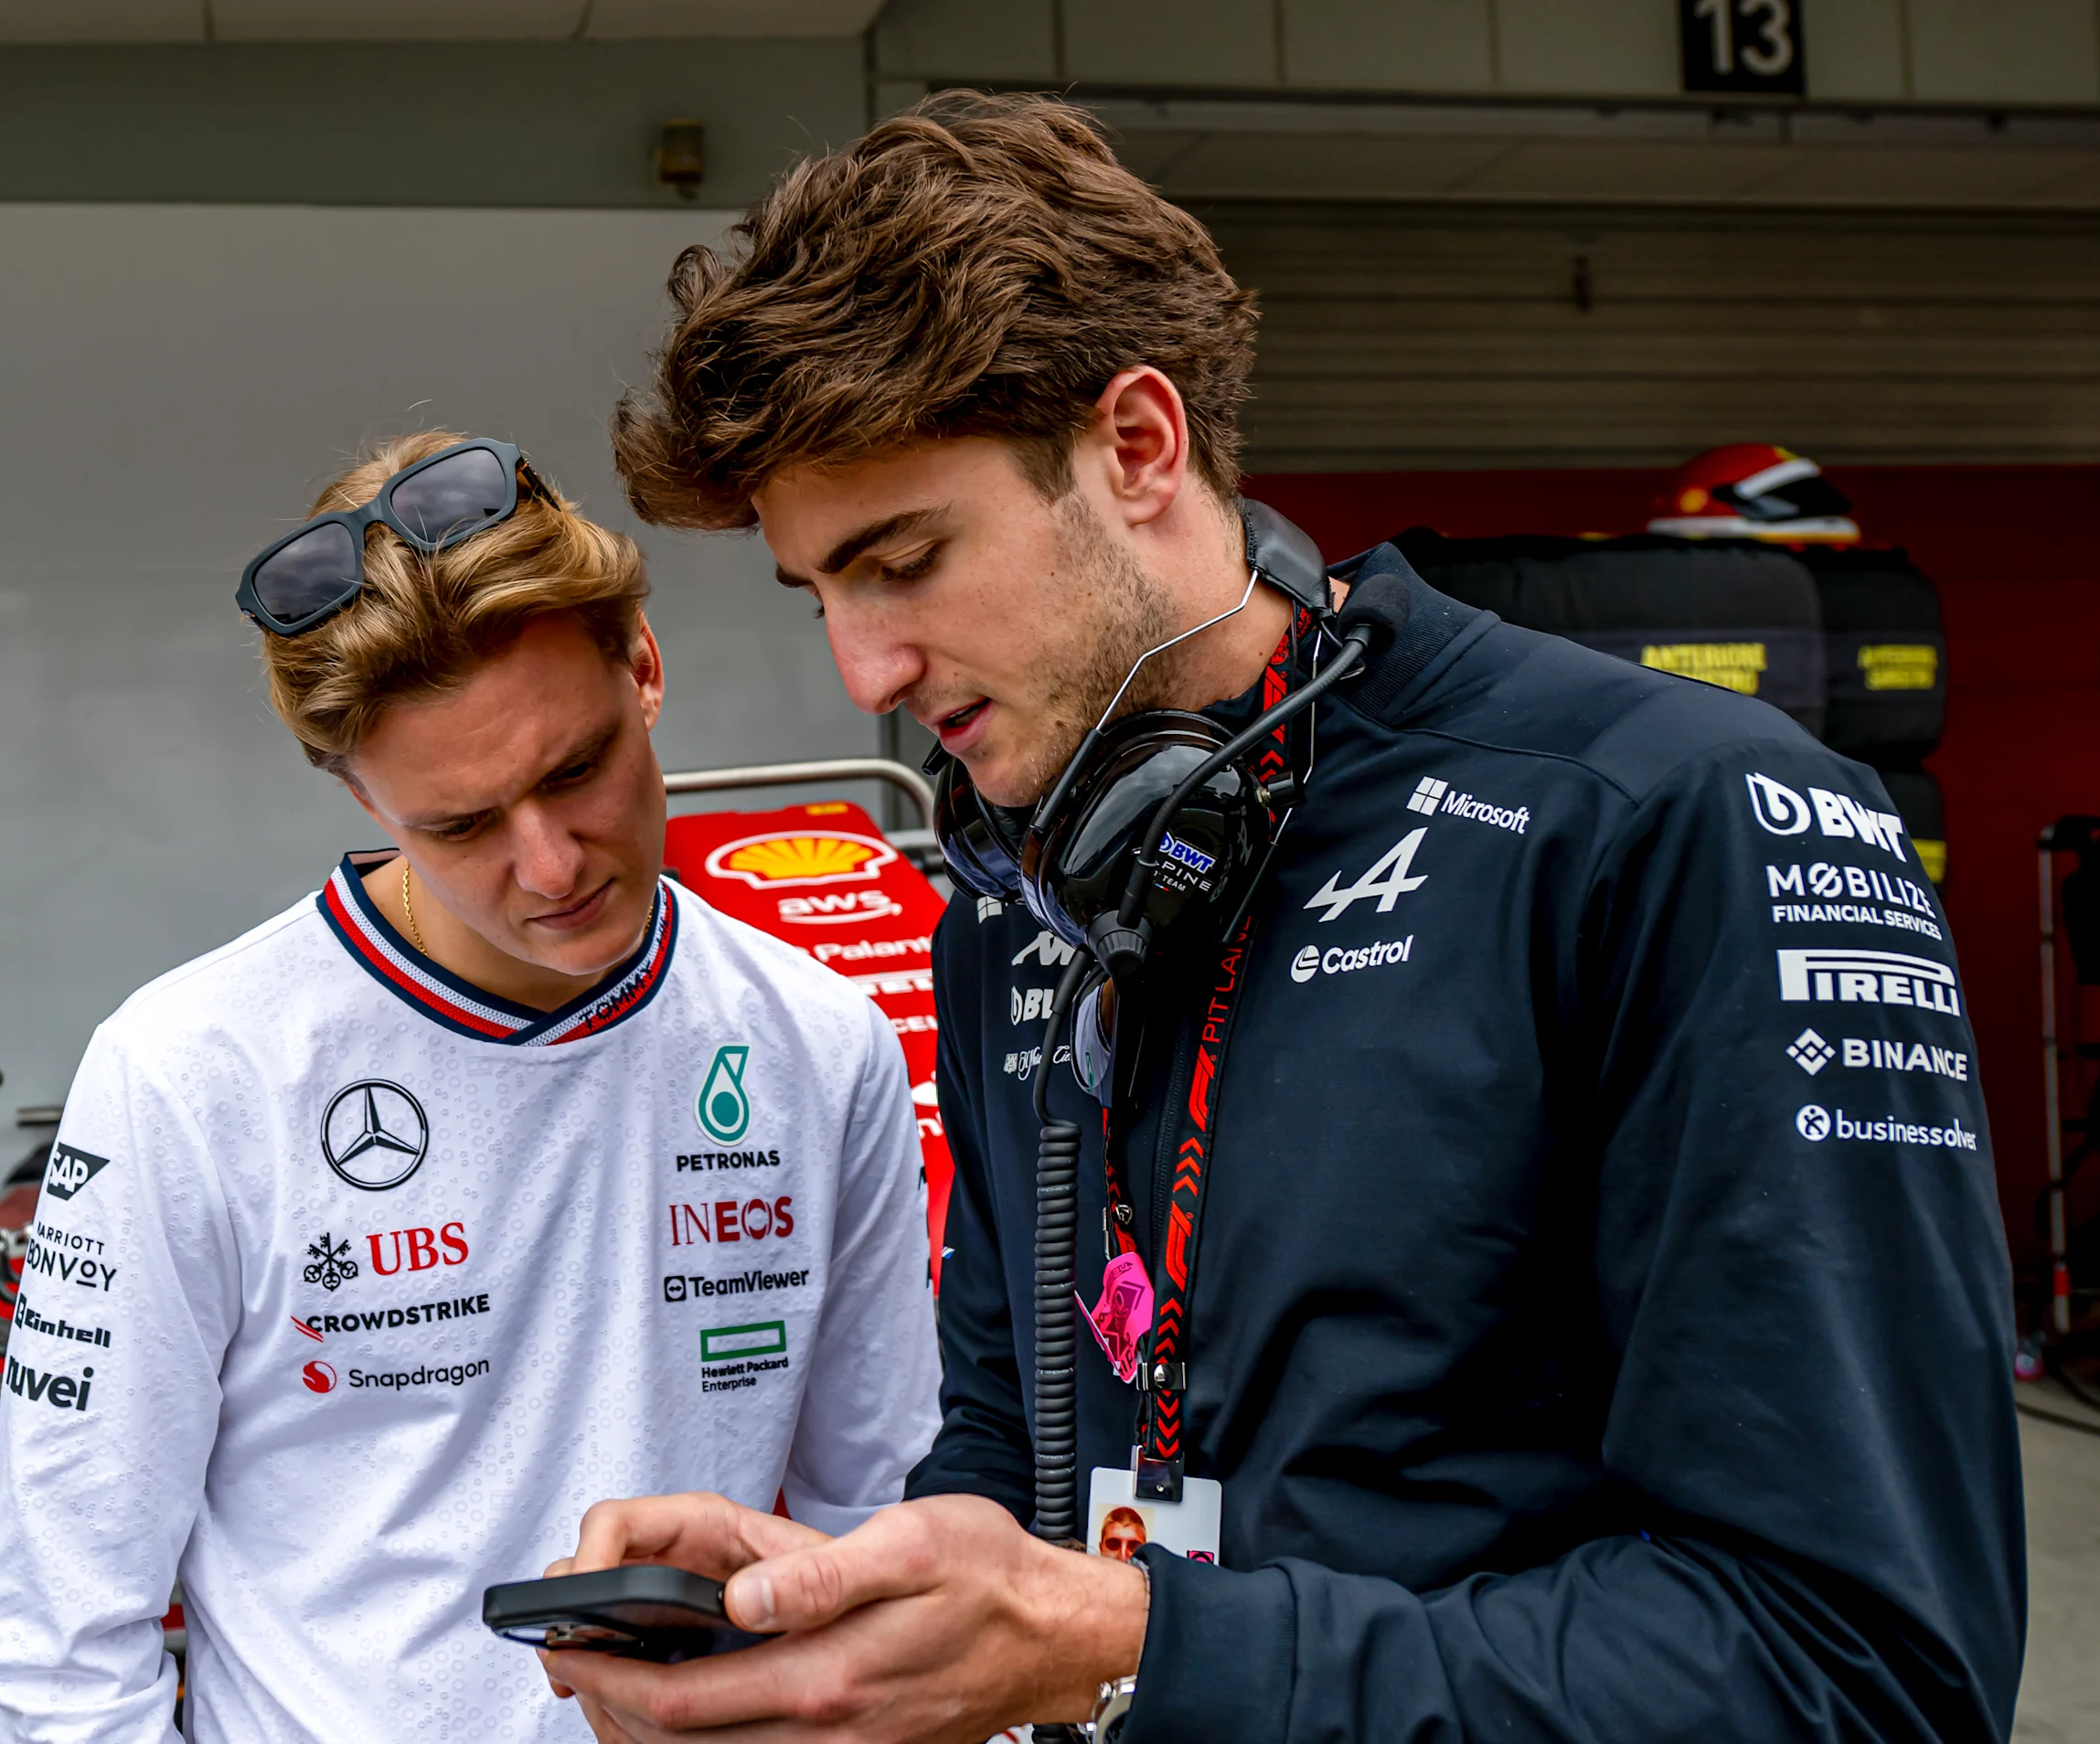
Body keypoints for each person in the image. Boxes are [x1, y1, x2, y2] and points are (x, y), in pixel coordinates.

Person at [540, 94, 2023, 1742]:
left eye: (904, 559)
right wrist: (850, 1602)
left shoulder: (1668, 822)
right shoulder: (1020, 904)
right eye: (822, 593)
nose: (867, 670)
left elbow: (1861, 1669)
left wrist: (1136, 1643)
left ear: (1140, 445)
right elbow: (1009, 1446)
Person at [0, 431, 939, 1743]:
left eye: (574, 771)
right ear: (363, 794)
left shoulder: (821, 1047)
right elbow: (65, 1646)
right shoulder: (189, 1076)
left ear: (644, 672)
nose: (549, 865)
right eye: (462, 825)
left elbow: (871, 1517)